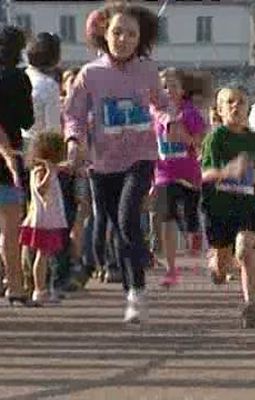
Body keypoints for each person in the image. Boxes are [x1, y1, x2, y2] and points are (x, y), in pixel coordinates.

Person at [64, 3, 174, 323]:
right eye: (117, 32)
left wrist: (169, 120)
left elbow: (161, 103)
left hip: (140, 157)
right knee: (116, 228)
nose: (123, 39)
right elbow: (73, 114)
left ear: (140, 39)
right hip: (102, 163)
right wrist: (74, 142)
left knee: (128, 219)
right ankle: (128, 283)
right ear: (104, 33)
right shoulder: (90, 74)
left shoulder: (148, 70)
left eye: (130, 34)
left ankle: (137, 292)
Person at [201, 86, 255, 328]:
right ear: (220, 110)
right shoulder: (216, 138)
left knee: (245, 250)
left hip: (247, 204)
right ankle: (216, 265)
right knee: (222, 266)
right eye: (230, 102)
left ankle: (250, 304)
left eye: (241, 102)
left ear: (248, 108)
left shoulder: (251, 139)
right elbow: (205, 174)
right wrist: (228, 171)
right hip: (219, 205)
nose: (236, 106)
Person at [153, 67, 207, 287]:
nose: (168, 90)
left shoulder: (190, 112)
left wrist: (183, 135)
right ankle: (171, 268)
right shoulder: (154, 112)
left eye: (173, 85)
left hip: (188, 173)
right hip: (163, 173)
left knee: (189, 216)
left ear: (182, 90)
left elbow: (199, 141)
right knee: (167, 218)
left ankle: (194, 234)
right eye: (164, 86)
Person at [0, 25, 35, 306]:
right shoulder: (18, 78)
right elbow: (27, 120)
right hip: (9, 158)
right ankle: (14, 285)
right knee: (10, 229)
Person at [19, 132, 69, 305]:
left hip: (47, 218)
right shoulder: (41, 171)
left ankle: (42, 289)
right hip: (43, 219)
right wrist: (50, 172)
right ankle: (39, 290)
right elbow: (41, 189)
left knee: (45, 255)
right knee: (42, 254)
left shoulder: (43, 168)